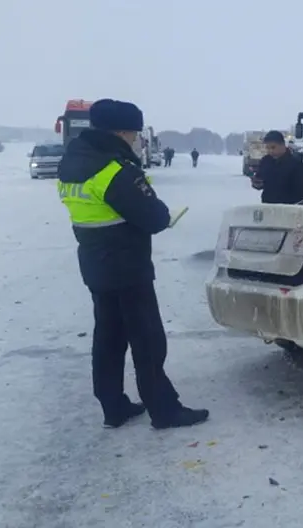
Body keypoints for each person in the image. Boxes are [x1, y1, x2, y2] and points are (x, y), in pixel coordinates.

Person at [57, 99, 209, 430]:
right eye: (135, 132)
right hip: (127, 266)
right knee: (148, 340)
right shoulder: (114, 170)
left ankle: (113, 407)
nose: (137, 139)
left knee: (108, 337)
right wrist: (158, 209)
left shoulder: (72, 162)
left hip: (95, 263)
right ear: (122, 131)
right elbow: (153, 217)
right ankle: (165, 411)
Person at [251, 130, 303, 203]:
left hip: (289, 207)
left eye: (273, 147)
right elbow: (260, 180)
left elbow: (300, 190)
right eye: (267, 148)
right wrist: (256, 184)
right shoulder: (265, 161)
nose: (270, 151)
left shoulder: (295, 164)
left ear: (283, 145)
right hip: (268, 205)